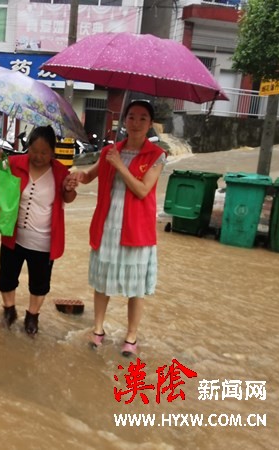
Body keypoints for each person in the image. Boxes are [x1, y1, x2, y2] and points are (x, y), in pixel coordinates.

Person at [71, 99, 166, 357]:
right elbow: (90, 175)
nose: (136, 123)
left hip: (136, 228)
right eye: (132, 117)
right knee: (102, 282)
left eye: (142, 118)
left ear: (150, 124)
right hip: (108, 225)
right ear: (124, 120)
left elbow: (143, 190)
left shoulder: (157, 156)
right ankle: (98, 329)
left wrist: (120, 166)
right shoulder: (109, 151)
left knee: (135, 287)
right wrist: (76, 176)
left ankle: (131, 336)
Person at [0, 125, 78, 336]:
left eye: (44, 153)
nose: (38, 156)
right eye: (34, 151)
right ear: (28, 148)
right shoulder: (14, 163)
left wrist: (70, 188)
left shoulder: (61, 171)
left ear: (53, 152)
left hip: (44, 241)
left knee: (39, 283)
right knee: (6, 278)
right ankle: (9, 310)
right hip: (13, 236)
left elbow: (68, 198)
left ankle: (32, 315)